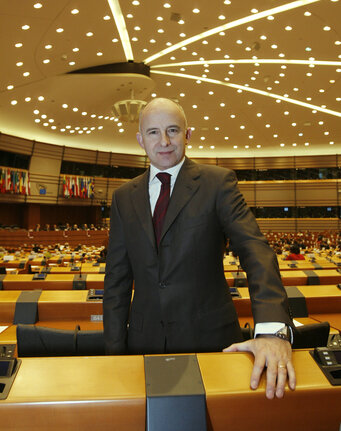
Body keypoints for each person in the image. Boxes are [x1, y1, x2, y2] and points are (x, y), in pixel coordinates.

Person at [104, 98, 296, 399]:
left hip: (212, 338)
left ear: (187, 134)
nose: (164, 141)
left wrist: (272, 329)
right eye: (153, 132)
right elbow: (116, 280)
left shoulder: (217, 183)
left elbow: (254, 249)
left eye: (173, 130)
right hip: (144, 342)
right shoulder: (123, 197)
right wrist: (114, 353)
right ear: (140, 139)